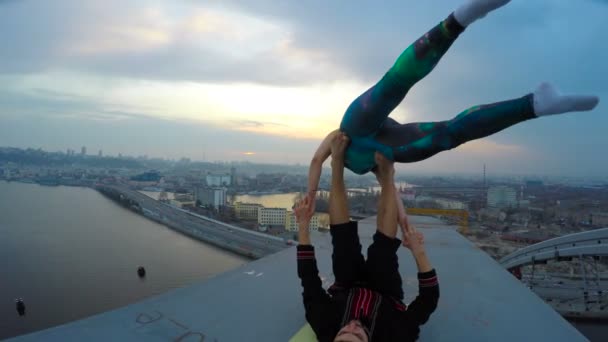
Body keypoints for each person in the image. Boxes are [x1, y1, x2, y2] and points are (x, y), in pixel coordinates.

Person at [307, 0, 599, 192]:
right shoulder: (376, 156)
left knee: (404, 91)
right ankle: (534, 103)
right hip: (378, 142)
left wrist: (309, 195)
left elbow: (317, 162)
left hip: (361, 131)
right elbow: (387, 187)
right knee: (438, 124)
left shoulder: (342, 140)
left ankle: (461, 21)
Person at [295, 133, 437, 342]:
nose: (353, 324)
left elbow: (309, 279)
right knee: (383, 253)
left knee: (343, 243)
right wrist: (419, 252)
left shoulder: (324, 323)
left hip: (347, 286)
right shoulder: (396, 335)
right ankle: (387, 174)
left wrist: (304, 224)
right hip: (385, 292)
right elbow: (428, 300)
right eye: (359, 335)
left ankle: (337, 162)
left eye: (343, 332)